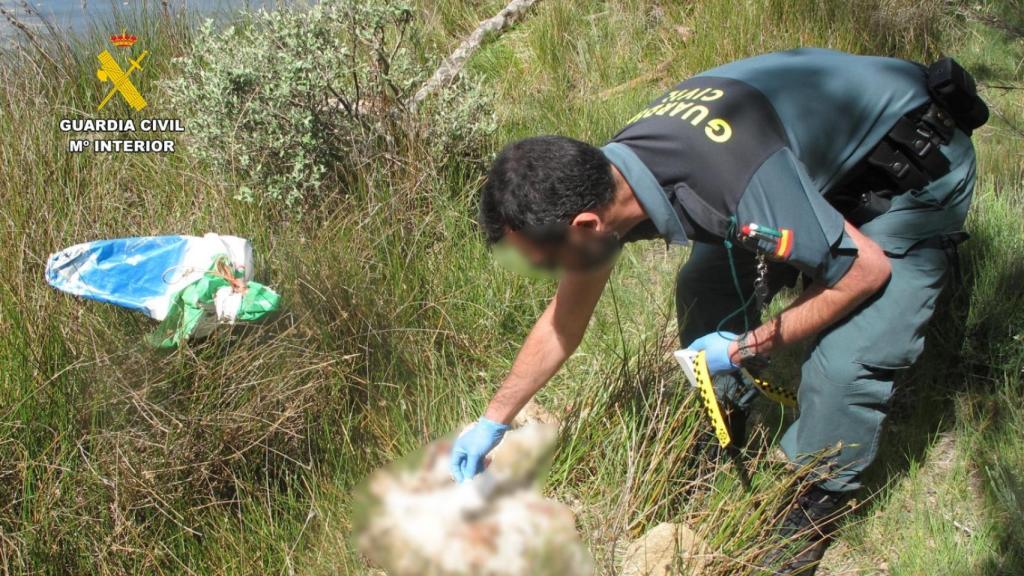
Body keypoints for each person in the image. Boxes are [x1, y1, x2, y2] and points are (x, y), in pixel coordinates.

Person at [450, 48, 986, 573]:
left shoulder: (727, 181)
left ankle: (813, 504)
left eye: (547, 262)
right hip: (797, 169)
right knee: (704, 289)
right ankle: (725, 422)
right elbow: (563, 321)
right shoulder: (605, 178)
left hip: (909, 168)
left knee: (842, 366)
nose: (552, 275)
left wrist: (744, 347)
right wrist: (491, 421)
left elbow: (865, 271)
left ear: (587, 227)